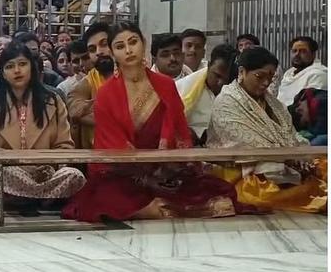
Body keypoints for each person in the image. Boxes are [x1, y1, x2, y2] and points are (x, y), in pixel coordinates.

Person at [62, 22, 248, 222]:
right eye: (120, 46)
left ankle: (163, 205)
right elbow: (112, 144)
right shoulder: (106, 94)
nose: (128, 50)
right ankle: (159, 207)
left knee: (221, 192)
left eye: (133, 42)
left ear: (143, 43)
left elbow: (178, 130)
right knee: (103, 198)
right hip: (127, 173)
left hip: (166, 168)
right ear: (114, 54)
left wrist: (165, 168)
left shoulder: (165, 85)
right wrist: (145, 175)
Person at [206, 47, 326, 213]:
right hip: (243, 169)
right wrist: (290, 158)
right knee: (269, 179)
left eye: (270, 76)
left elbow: (290, 133)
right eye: (259, 76)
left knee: (321, 162)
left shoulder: (272, 103)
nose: (266, 82)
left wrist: (301, 155)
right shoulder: (226, 102)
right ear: (242, 72)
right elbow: (246, 143)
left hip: (283, 159)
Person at [0, 41, 85, 207]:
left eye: (22, 64)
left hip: (46, 172)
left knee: (74, 175)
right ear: (3, 73)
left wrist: (49, 167)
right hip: (9, 171)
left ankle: (26, 199)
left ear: (32, 68)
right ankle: (42, 198)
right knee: (0, 173)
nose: (17, 70)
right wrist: (20, 166)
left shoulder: (53, 101)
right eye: (10, 66)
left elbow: (64, 146)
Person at [176, 44, 238, 145]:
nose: (221, 83)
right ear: (209, 65)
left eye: (226, 79)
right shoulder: (182, 87)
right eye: (217, 76)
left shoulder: (236, 91)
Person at [66, 22, 114, 149]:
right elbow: (75, 110)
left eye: (104, 44)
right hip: (97, 155)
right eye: (92, 50)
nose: (98, 52)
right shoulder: (89, 81)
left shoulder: (134, 77)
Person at [276, 36, 328, 106]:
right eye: (294, 51)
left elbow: (309, 106)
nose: (297, 54)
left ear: (313, 54)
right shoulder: (289, 74)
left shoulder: (319, 74)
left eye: (303, 51)